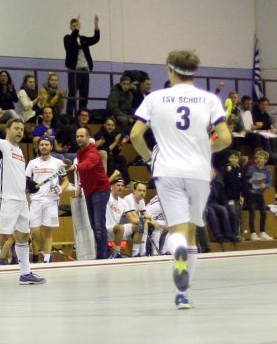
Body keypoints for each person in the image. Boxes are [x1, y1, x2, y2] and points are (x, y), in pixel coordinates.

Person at [130, 50, 232, 309]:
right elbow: (226, 138)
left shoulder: (154, 98)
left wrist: (148, 159)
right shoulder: (209, 99)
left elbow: (135, 136)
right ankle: (183, 294)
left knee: (176, 229)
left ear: (170, 70)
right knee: (192, 232)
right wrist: (203, 150)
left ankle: (178, 272)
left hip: (167, 171)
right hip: (198, 172)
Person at [0, 108, 46, 287]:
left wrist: (29, 184)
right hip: (6, 199)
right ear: (7, 130)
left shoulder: (19, 151)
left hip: (21, 200)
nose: (20, 131)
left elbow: (17, 174)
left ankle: (25, 274)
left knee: (24, 236)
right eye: (16, 128)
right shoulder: (1, 145)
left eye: (21, 129)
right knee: (0, 236)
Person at [25, 137, 68, 263]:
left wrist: (61, 188)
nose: (44, 146)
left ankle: (47, 259)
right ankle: (45, 252)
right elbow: (26, 180)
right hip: (36, 200)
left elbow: (65, 181)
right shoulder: (32, 163)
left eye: (46, 144)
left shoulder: (58, 163)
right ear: (38, 147)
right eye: (42, 144)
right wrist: (30, 185)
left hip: (51, 200)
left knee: (48, 230)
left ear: (51, 147)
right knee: (34, 231)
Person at [71, 127, 111, 259]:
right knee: (94, 225)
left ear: (88, 137)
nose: (79, 138)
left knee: (99, 226)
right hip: (89, 190)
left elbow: (87, 165)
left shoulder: (93, 153)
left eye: (82, 136)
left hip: (100, 190)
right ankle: (103, 253)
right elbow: (85, 172)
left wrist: (75, 167)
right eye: (77, 136)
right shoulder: (79, 152)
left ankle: (103, 256)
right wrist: (80, 185)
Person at [64, 15, 100, 114]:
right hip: (74, 71)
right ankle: (69, 116)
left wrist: (96, 26)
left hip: (85, 70)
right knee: (72, 95)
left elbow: (95, 39)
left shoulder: (83, 39)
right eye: (74, 26)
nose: (76, 28)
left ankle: (82, 115)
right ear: (70, 27)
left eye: (77, 25)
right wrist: (76, 30)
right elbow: (71, 43)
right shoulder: (67, 38)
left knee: (84, 95)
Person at [105, 178, 142, 258]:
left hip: (118, 229)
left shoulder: (123, 202)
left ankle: (135, 253)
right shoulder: (107, 197)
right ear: (112, 186)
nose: (120, 187)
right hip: (107, 228)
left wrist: (142, 221)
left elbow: (131, 218)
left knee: (139, 226)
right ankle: (116, 254)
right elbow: (104, 186)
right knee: (120, 227)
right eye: (118, 185)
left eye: (122, 186)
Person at [243, 150, 273, 241]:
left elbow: (269, 183)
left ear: (265, 160)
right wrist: (249, 181)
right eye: (258, 158)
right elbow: (246, 179)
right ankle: (253, 233)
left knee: (263, 213)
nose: (259, 159)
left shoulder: (267, 171)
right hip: (251, 193)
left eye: (261, 158)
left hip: (260, 194)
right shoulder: (252, 168)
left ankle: (262, 232)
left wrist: (265, 185)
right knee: (252, 212)